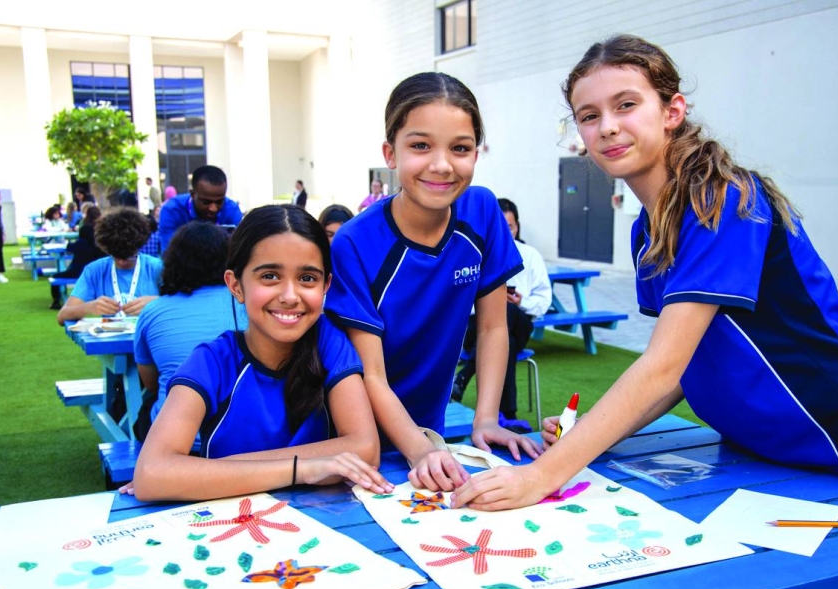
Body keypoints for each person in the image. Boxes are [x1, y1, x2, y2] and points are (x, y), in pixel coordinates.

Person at [450, 34, 838, 512]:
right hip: (760, 448)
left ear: (672, 111)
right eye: (589, 116)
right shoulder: (647, 229)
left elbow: (664, 366)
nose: (607, 127)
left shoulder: (725, 200)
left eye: (625, 104)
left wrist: (542, 475)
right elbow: (681, 372)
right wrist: (585, 436)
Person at [325, 72, 539, 495]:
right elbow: (370, 374)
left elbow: (494, 327)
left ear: (476, 154)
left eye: (460, 148)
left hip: (430, 437)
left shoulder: (482, 212)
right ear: (391, 153)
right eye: (420, 145)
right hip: (352, 440)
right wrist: (418, 450)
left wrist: (486, 420)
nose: (442, 164)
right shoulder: (355, 241)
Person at [127, 204, 392, 502]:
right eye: (269, 276)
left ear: (326, 285)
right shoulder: (212, 362)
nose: (291, 296)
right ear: (236, 285)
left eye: (307, 278)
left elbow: (365, 449)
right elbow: (152, 474)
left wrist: (204, 472)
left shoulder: (329, 343)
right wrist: (301, 469)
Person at [132, 222, 241, 438]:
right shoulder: (247, 305)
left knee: (144, 404)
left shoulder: (152, 311)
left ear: (172, 261)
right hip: (238, 435)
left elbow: (151, 383)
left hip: (174, 438)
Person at [453, 197, 552, 432]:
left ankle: (464, 376)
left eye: (510, 227)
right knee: (502, 329)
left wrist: (522, 301)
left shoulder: (530, 255)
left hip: (520, 322)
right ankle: (508, 414)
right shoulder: (471, 254)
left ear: (517, 227)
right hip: (477, 328)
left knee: (509, 313)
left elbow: (544, 299)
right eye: (501, 226)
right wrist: (488, 303)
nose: (506, 232)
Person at [56, 207, 163, 325]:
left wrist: (157, 303)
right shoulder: (95, 270)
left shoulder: (157, 267)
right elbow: (62, 316)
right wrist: (88, 307)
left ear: (139, 246)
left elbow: (184, 305)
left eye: (129, 256)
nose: (122, 262)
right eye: (116, 256)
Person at [159, 165, 243, 252]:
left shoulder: (232, 210)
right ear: (193, 195)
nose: (213, 208)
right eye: (206, 202)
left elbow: (239, 251)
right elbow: (168, 252)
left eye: (219, 202)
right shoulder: (172, 210)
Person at [49, 205, 105, 309]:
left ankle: (56, 300)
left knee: (55, 276)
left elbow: (69, 247)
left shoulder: (80, 244)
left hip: (79, 271)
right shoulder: (104, 245)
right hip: (100, 271)